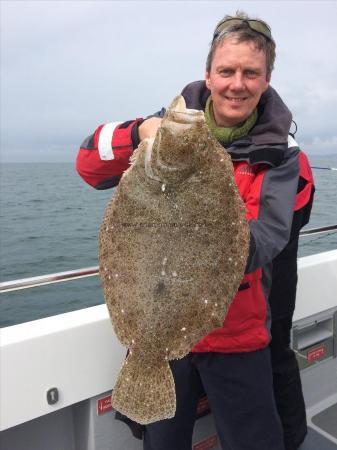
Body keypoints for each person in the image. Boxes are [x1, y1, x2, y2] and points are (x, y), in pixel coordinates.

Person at [76, 11, 314, 450]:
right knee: (162, 443)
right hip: (159, 332)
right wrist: (138, 132)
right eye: (226, 70)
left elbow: (264, 242)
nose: (236, 83)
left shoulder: (283, 157)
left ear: (266, 79)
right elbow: (88, 164)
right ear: (208, 73)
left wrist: (197, 221)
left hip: (238, 335)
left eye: (250, 72)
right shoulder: (162, 129)